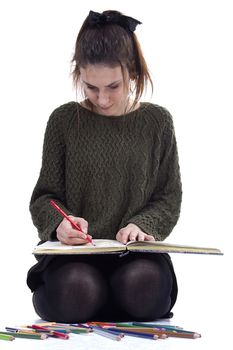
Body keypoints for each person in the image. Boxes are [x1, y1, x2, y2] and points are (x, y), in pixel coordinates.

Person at [27, 10, 182, 323]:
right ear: (78, 75)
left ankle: (109, 300)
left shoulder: (158, 123)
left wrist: (143, 225)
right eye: (91, 87)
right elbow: (45, 197)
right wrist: (61, 223)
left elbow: (168, 197)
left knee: (144, 286)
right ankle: (96, 300)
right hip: (75, 259)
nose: (103, 99)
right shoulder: (64, 121)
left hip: (135, 256)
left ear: (133, 73)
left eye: (113, 86)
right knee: (77, 288)